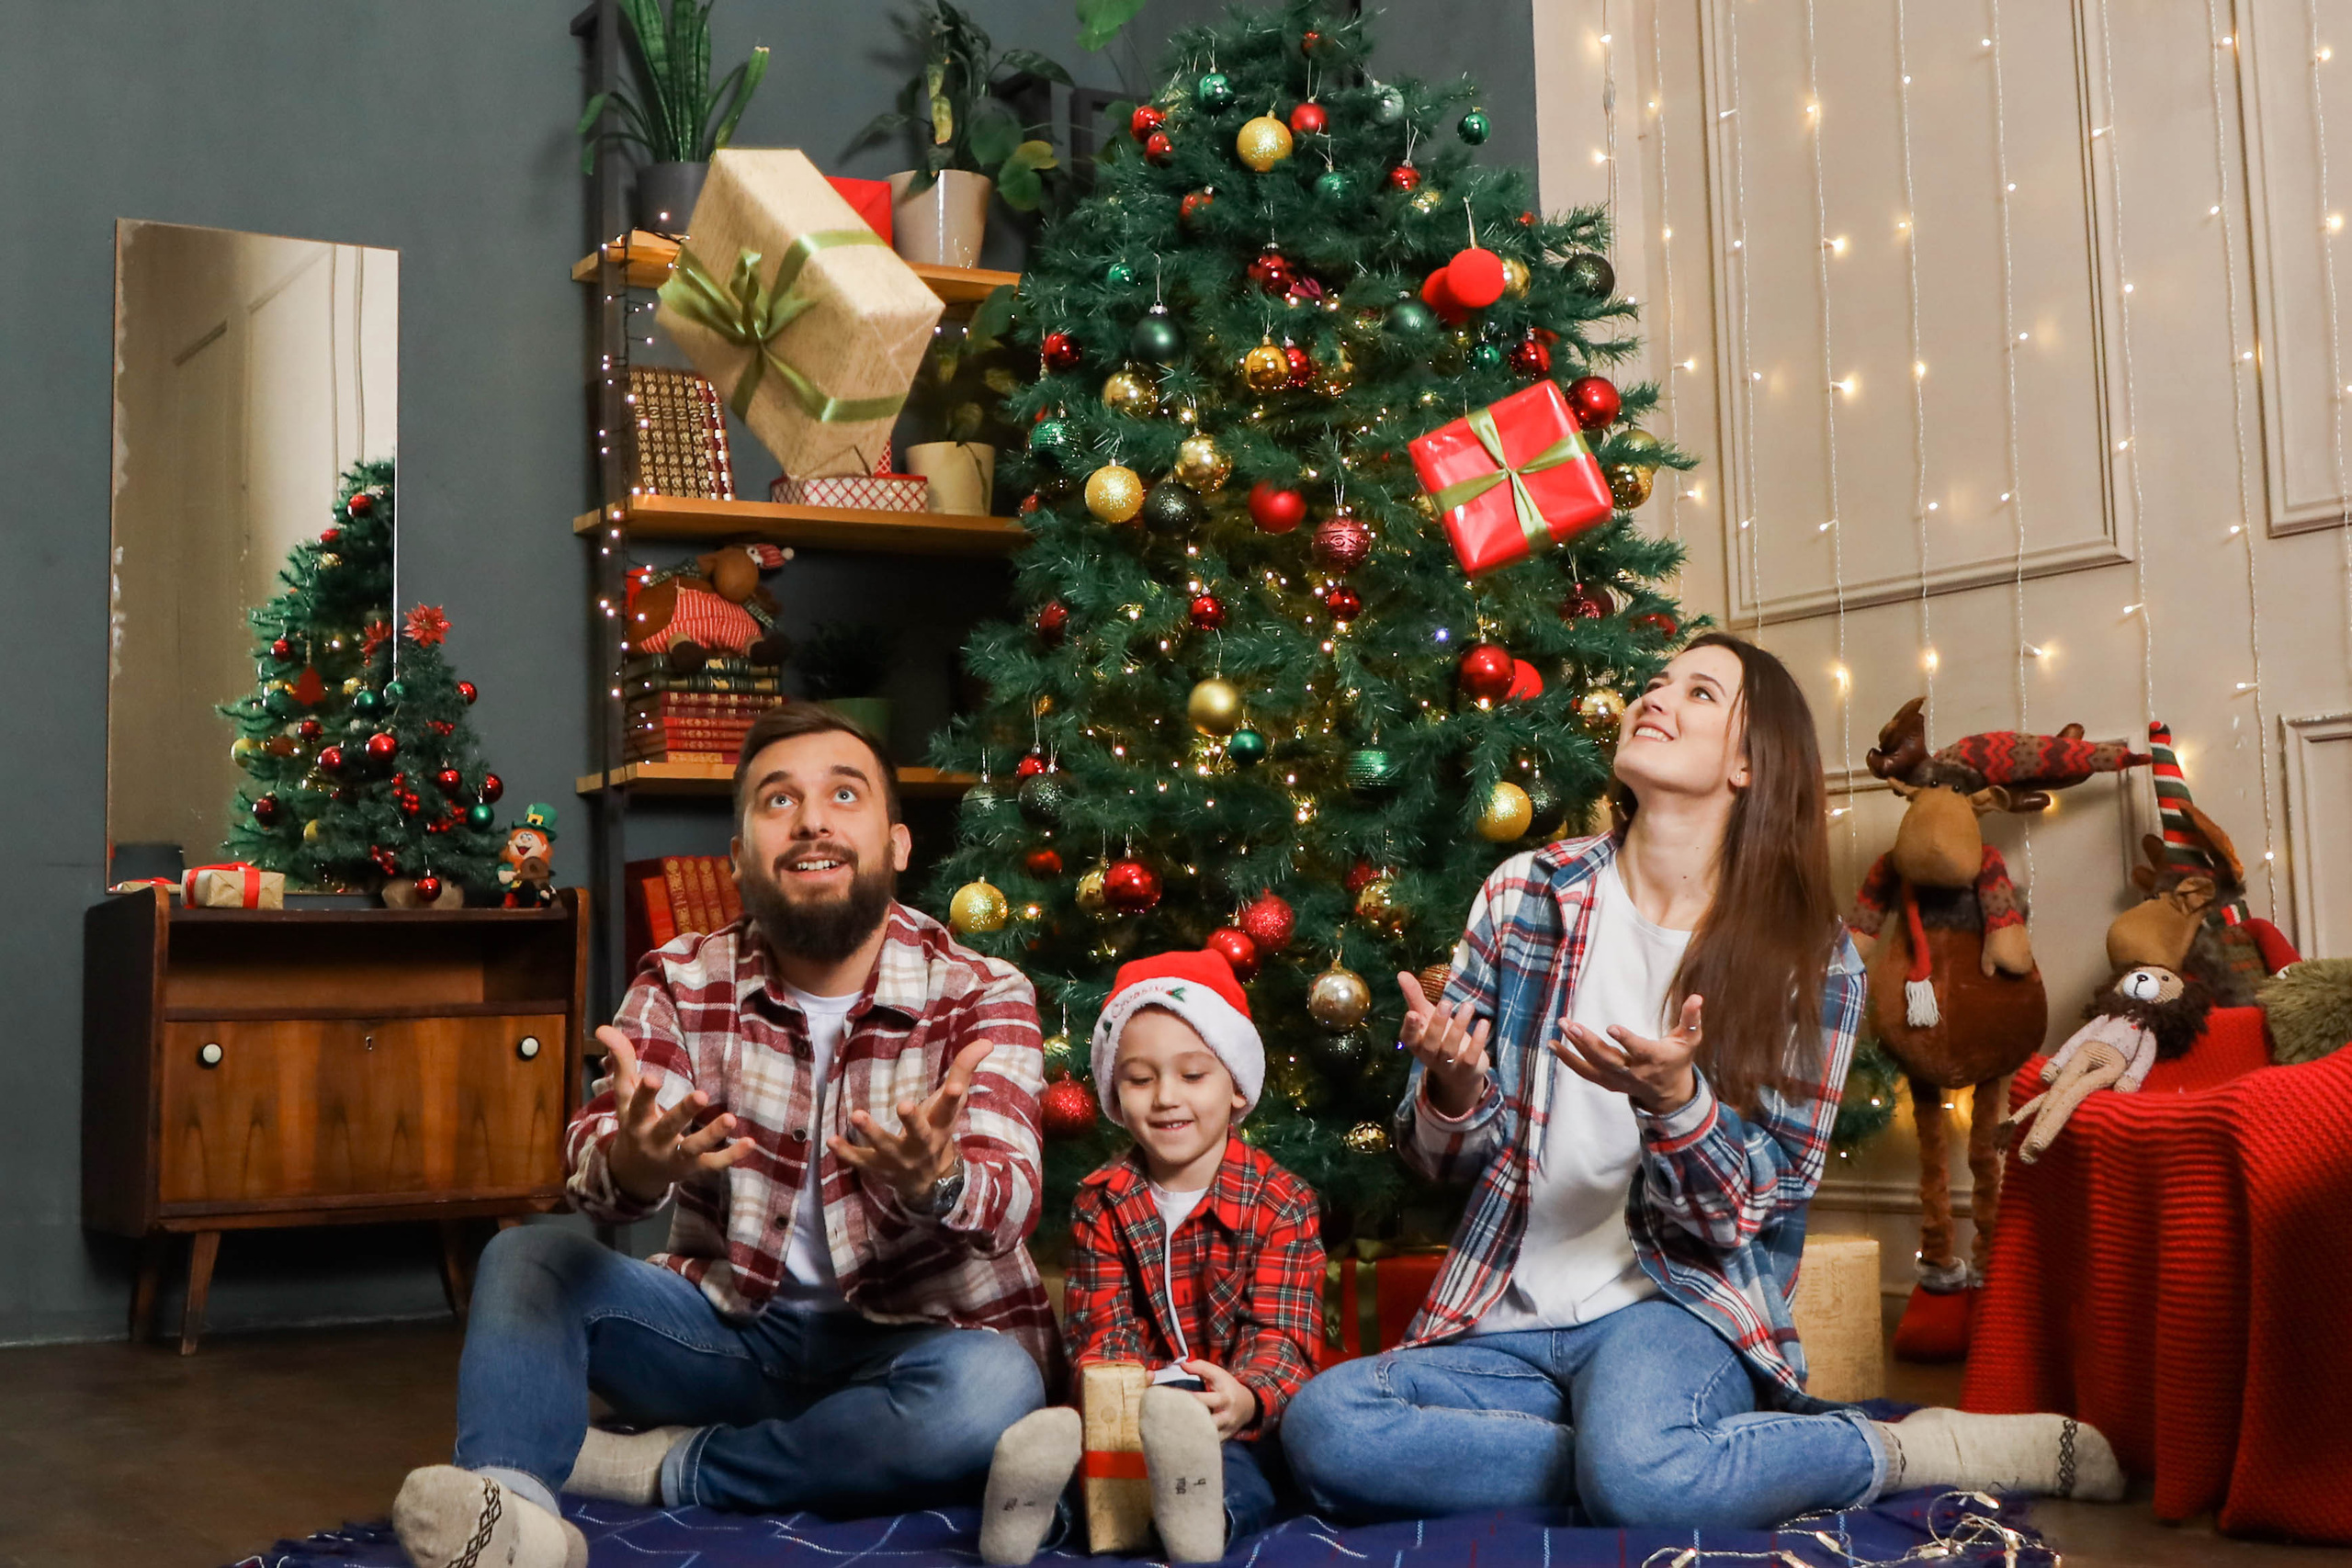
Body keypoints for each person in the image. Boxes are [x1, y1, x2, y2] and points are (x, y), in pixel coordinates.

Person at [1282, 635, 2125, 1528]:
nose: (1654, 698)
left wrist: (1676, 1104)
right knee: (1328, 1426)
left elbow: (1748, 1211)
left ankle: (1911, 1448)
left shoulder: (1813, 959)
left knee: (1640, 1477)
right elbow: (1440, 1161)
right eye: (1653, 682)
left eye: (1697, 692)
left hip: (1678, 1306)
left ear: (1749, 765)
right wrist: (1451, 1088)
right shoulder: (1524, 894)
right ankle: (1651, 1456)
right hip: (1506, 1312)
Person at [391, 704, 1057, 1568]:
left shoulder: (982, 990)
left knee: (994, 1392)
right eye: (779, 801)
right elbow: (595, 1164)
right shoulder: (682, 976)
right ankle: (511, 1518)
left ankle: (663, 1466)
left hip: (916, 1349)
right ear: (740, 856)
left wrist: (940, 1179)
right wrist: (633, 1159)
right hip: (732, 1335)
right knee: (527, 1261)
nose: (813, 819)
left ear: (897, 843)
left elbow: (1012, 1195)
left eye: (843, 794)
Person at [979, 949, 1323, 1565]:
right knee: (1095, 1470)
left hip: (1225, 1418)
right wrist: (1120, 1400)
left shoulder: (1283, 1202)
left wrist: (1246, 1394)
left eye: (1193, 1075)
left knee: (1249, 1471)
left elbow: (1283, 1334)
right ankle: (1027, 1509)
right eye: (1141, 1078)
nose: (1166, 1097)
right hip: (1127, 1409)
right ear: (1115, 1091)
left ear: (1237, 1084)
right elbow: (1098, 1329)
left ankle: (1200, 1513)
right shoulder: (1101, 1200)